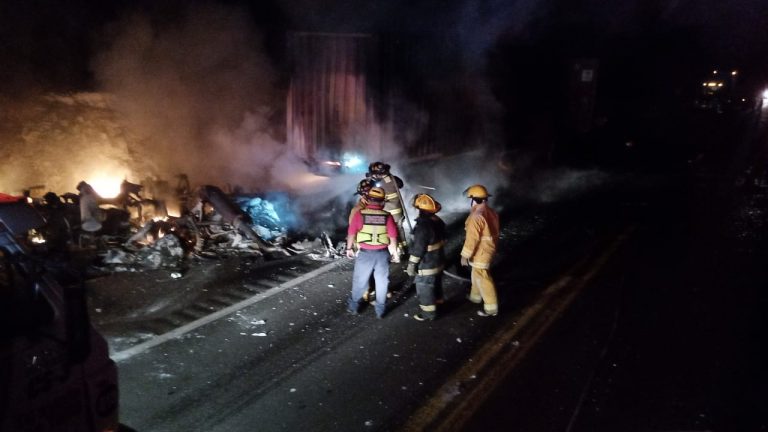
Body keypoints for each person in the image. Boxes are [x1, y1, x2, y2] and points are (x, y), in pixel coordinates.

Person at [346, 187, 398, 318]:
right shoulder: (388, 216)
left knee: (360, 281)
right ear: (382, 202)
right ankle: (380, 310)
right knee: (382, 282)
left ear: (368, 199)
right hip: (382, 254)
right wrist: (394, 253)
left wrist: (349, 248)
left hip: (365, 254)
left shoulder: (359, 214)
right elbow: (392, 238)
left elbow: (351, 232)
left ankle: (354, 307)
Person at [459, 184, 500, 317]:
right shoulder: (490, 211)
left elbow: (472, 240)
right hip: (488, 248)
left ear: (473, 199)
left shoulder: (476, 217)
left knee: (482, 276)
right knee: (476, 273)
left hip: (481, 251)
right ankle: (475, 297)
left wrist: (464, 256)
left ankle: (491, 307)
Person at [406, 193, 446, 322]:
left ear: (420, 209)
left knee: (425, 288)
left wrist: (412, 264)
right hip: (438, 260)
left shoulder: (423, 226)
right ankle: (439, 304)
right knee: (436, 284)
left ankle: (429, 314)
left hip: (427, 264)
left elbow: (419, 248)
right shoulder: (437, 221)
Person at [366, 162, 407, 261]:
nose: (374, 176)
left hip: (389, 212)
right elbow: (400, 184)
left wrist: (369, 181)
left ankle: (395, 254)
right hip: (398, 212)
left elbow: (372, 192)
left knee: (391, 233)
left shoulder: (381, 183)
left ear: (379, 173)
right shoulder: (392, 179)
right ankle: (402, 250)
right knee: (399, 231)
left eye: (374, 174)